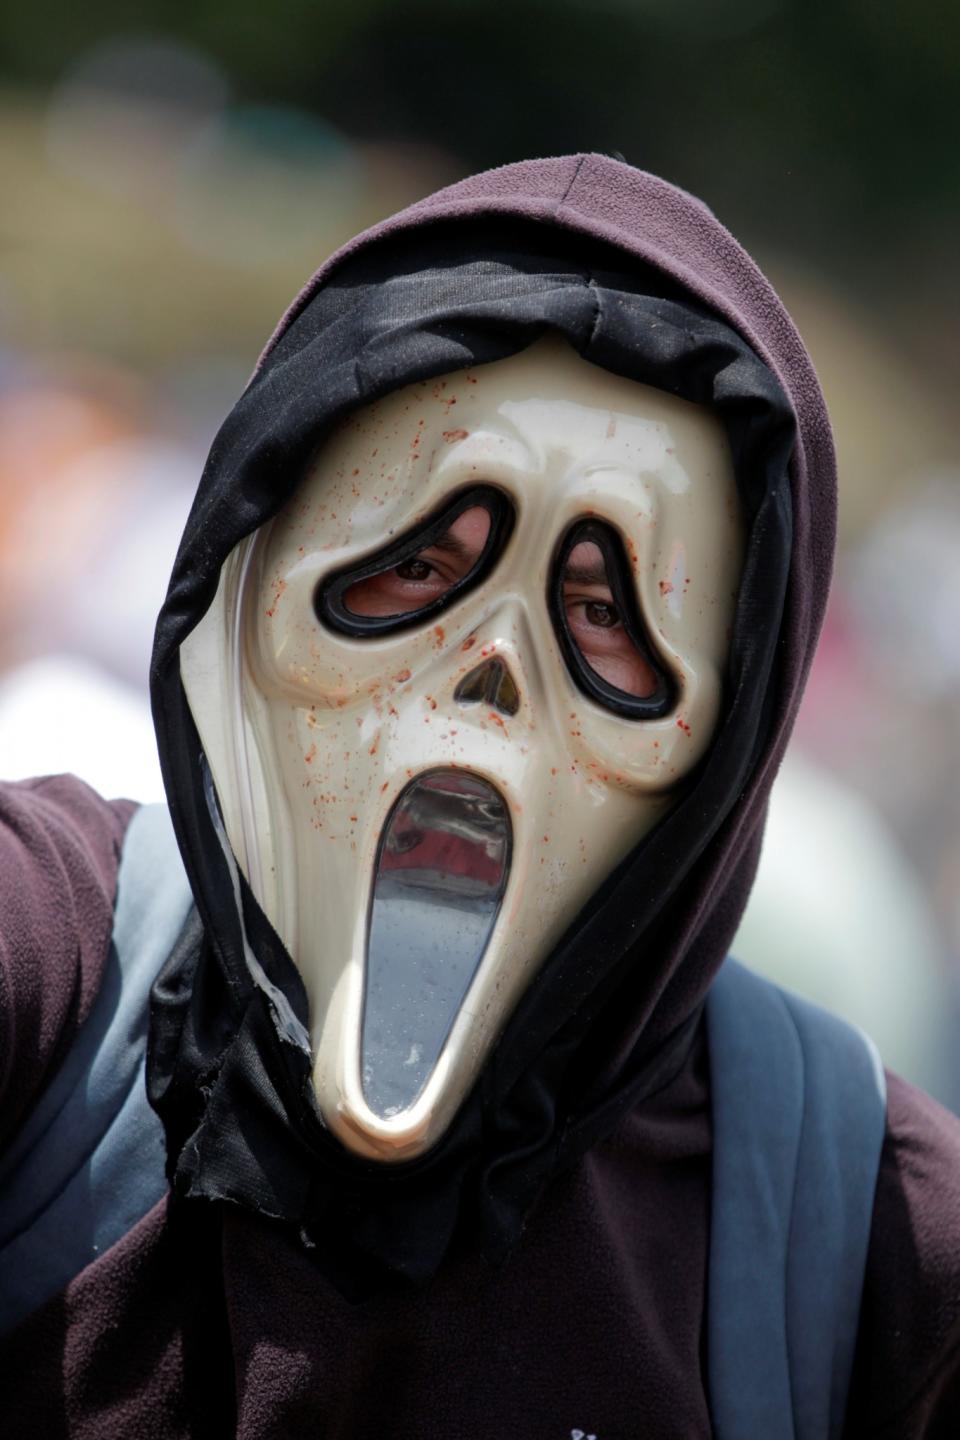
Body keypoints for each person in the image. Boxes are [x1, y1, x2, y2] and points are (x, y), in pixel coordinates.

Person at [2, 153, 959, 1438]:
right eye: (414, 559)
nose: (493, 671)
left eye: (607, 607)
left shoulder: (868, 1242)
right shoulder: (52, 975)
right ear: (249, 598)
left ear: (724, 727)